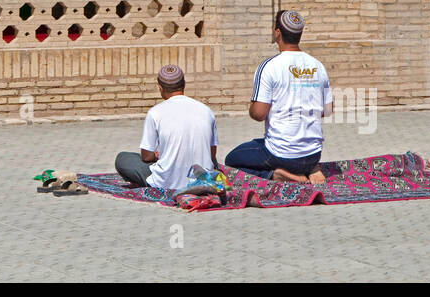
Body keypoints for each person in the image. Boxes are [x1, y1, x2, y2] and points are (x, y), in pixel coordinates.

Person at [225, 10, 333, 184]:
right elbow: (326, 110)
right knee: (258, 143)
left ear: (277, 33)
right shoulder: (317, 66)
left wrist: (252, 106)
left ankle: (276, 175)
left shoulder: (269, 66)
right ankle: (311, 168)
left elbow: (259, 114)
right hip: (313, 154)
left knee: (231, 161)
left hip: (281, 154)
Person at [115, 64, 218, 190]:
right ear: (184, 84)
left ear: (160, 88)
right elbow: (212, 154)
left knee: (123, 158)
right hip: (202, 179)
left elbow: (146, 156)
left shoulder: (155, 113)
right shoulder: (206, 110)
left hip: (167, 183)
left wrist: (157, 155)